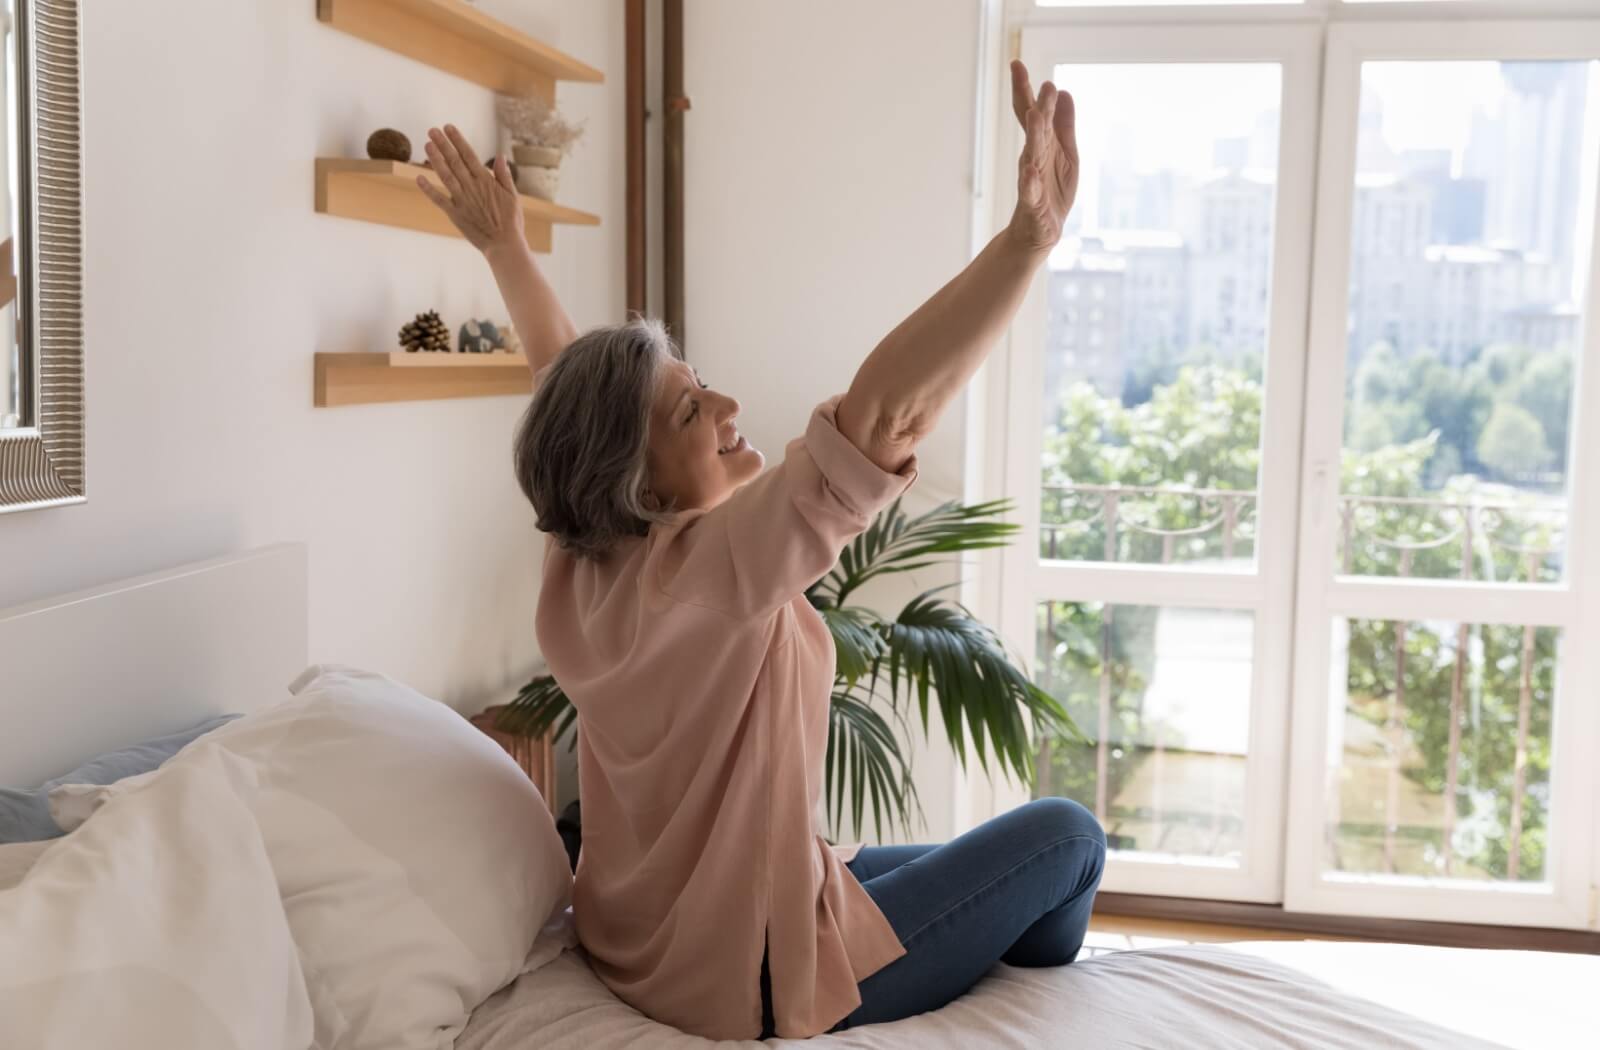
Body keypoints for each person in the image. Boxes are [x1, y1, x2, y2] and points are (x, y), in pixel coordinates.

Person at [419, 60, 1105, 1042]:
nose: (731, 409)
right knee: (1069, 838)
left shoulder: (583, 559)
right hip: (752, 976)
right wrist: (1026, 242)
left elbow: (563, 386)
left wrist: (506, 250)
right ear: (647, 485)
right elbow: (880, 413)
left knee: (929, 856)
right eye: (695, 411)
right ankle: (1044, 989)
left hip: (645, 940)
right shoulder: (713, 570)